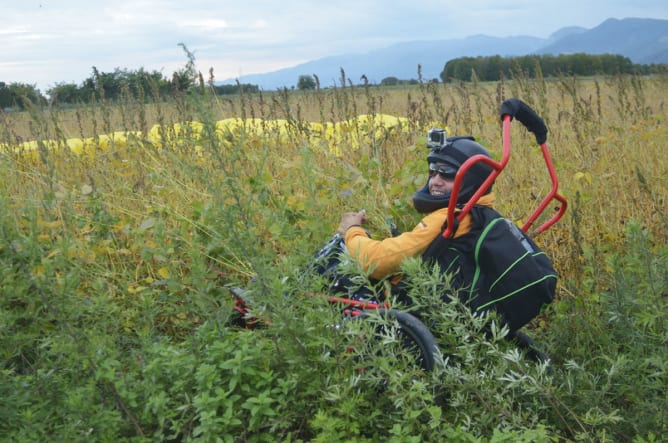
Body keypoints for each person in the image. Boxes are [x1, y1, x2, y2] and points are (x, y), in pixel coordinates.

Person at [336, 135, 495, 283]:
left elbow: (378, 262)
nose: (435, 181)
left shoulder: (450, 218)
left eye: (447, 174)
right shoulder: (481, 213)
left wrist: (352, 230)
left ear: (471, 182)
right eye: (433, 172)